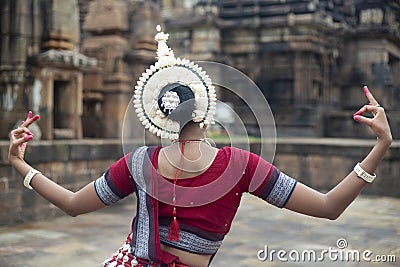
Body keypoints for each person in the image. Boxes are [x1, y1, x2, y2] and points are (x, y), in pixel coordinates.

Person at [8, 26, 392, 267]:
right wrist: (380, 147)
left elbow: (73, 205)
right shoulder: (240, 165)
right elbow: (329, 208)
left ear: (160, 120)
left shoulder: (140, 162)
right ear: (207, 113)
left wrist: (21, 165)